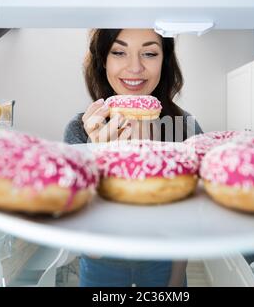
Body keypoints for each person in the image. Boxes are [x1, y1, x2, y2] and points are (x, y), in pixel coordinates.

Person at [64, 29, 203, 287]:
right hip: (100, 264)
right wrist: (98, 156)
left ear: (165, 59)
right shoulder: (80, 129)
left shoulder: (184, 127)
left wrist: (174, 280)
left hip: (164, 261)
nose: (135, 67)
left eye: (149, 53)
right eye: (119, 52)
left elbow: (190, 219)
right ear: (103, 59)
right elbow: (86, 236)